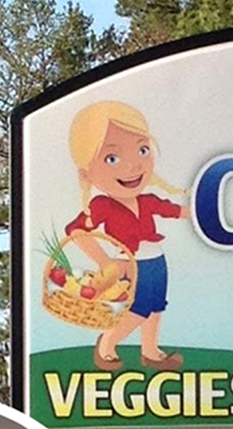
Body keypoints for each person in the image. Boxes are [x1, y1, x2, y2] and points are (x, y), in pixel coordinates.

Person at [63, 101, 189, 371]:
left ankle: (151, 351)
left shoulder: (147, 200)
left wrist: (208, 210)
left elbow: (176, 211)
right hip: (134, 264)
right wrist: (106, 262)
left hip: (157, 260)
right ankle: (107, 345)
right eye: (112, 158)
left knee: (157, 306)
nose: (133, 166)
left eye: (143, 150)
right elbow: (76, 231)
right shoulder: (103, 206)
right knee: (140, 308)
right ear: (88, 171)